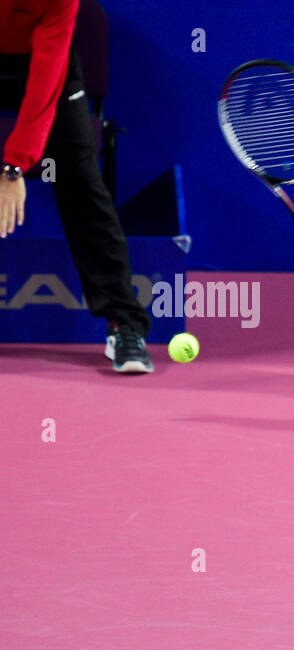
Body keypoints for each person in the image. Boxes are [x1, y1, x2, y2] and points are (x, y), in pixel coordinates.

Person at [0, 0, 153, 372]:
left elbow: (46, 77)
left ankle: (123, 323)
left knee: (81, 181)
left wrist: (13, 168)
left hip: (43, 63)